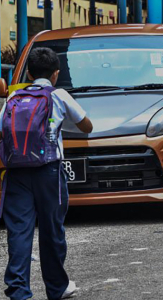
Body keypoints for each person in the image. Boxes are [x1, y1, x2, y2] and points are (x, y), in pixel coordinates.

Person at [0, 47, 93, 299]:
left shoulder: (13, 98)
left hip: (16, 173)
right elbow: (87, 126)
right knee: (52, 229)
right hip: (49, 171)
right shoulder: (59, 95)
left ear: (28, 72)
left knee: (19, 231)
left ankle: (19, 291)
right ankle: (56, 287)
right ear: (56, 74)